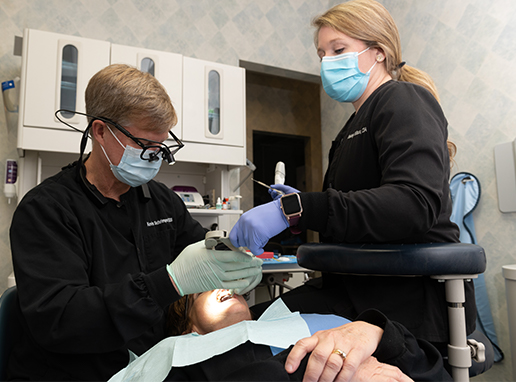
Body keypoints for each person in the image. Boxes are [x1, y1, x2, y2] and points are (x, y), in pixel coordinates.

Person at [229, 0, 475, 377]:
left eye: (338, 50)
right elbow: (351, 214)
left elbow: (413, 204)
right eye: (321, 54)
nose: (327, 62)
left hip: (402, 308)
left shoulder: (403, 99)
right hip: (348, 293)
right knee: (229, 336)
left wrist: (298, 208)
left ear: (379, 52)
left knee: (245, 366)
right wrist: (301, 213)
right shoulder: (347, 132)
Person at [8, 64, 262, 381]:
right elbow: (61, 321)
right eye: (145, 146)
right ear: (100, 131)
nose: (155, 157)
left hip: (151, 364)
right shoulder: (46, 211)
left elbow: (201, 254)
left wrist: (233, 260)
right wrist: (169, 282)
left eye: (161, 147)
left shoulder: (161, 202)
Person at [111, 289, 452, 381]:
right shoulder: (178, 353)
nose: (224, 287)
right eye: (204, 290)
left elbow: (431, 370)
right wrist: (338, 369)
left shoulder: (309, 317)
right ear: (188, 328)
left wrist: (375, 330)